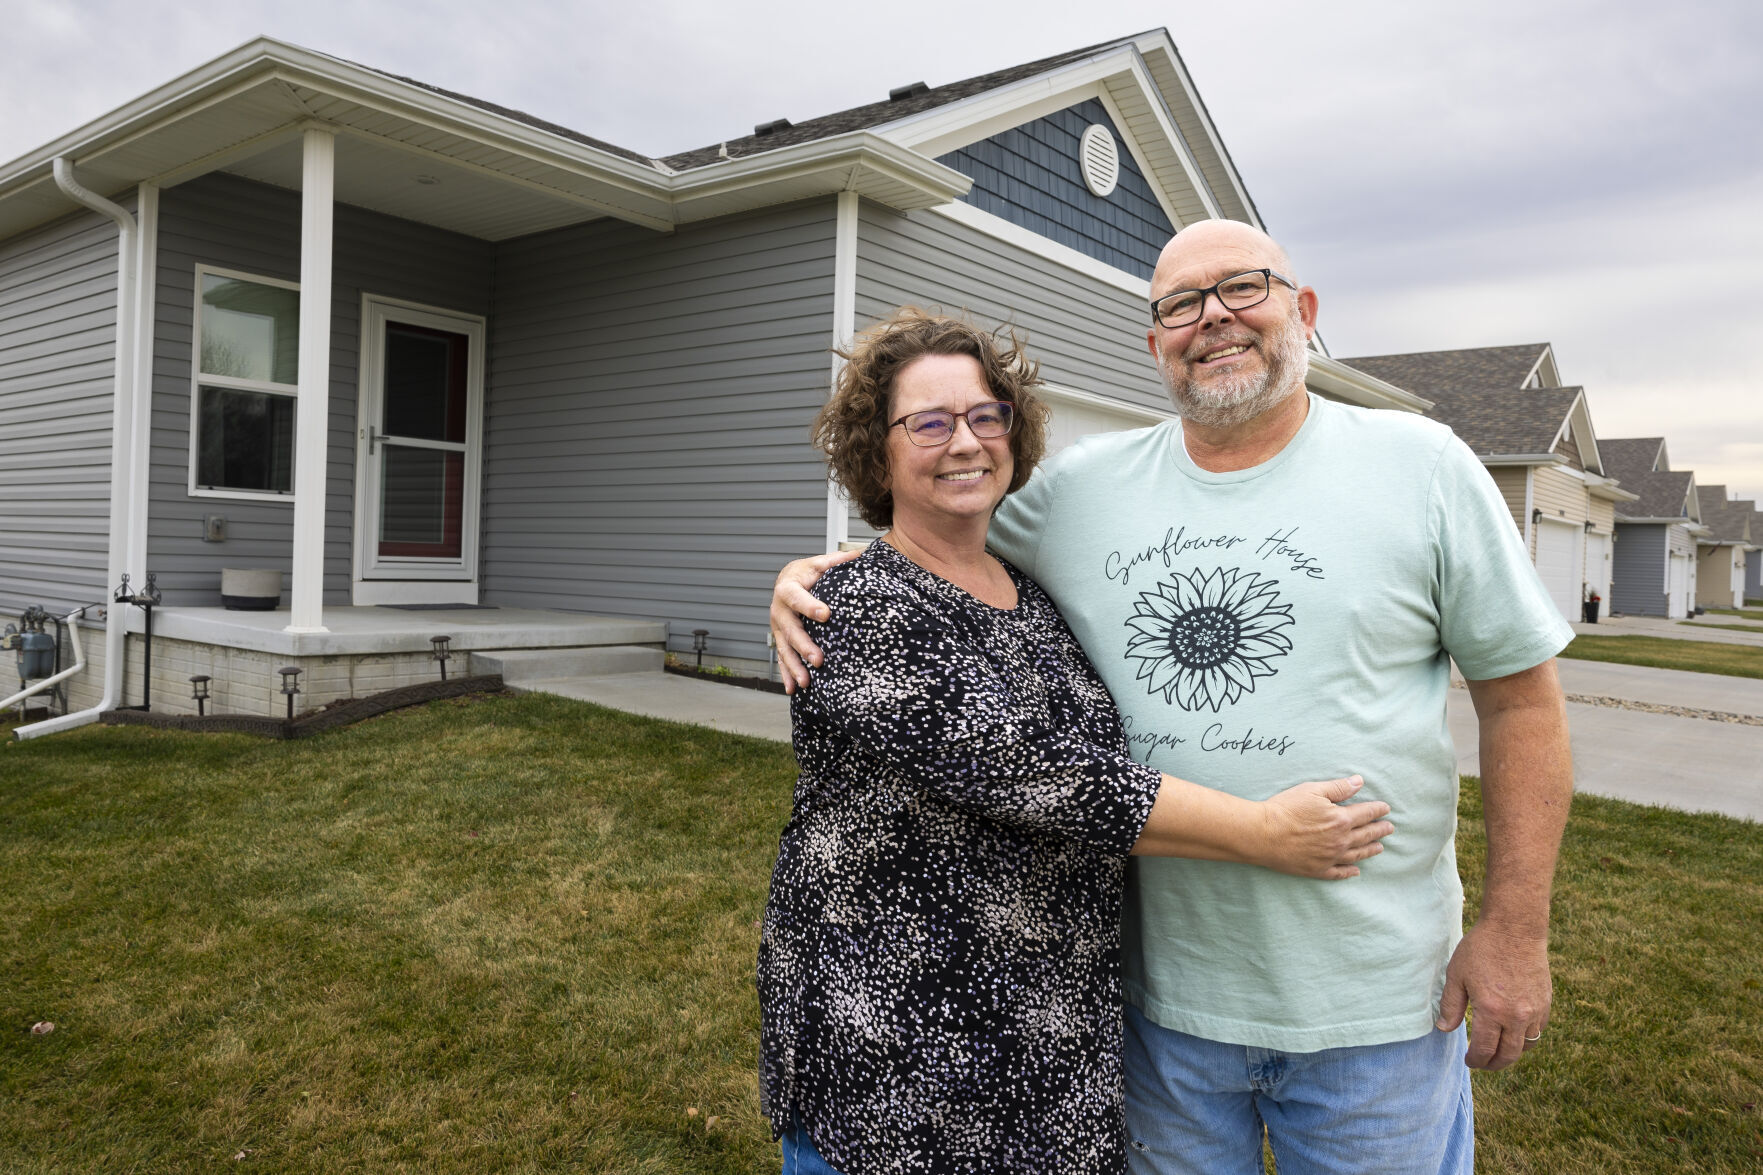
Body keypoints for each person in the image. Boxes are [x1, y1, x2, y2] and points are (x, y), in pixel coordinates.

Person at [771, 223, 1576, 1175]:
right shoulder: (1080, 490)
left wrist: (1515, 928)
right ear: (1154, 343)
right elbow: (936, 558)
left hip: (1374, 1006)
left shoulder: (1425, 467)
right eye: (1180, 305)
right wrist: (815, 579)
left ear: (1303, 313)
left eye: (1242, 288)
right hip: (1156, 1010)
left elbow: (1521, 703)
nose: (1214, 320)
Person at [760, 308, 1396, 1175]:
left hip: (1045, 1056)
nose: (965, 442)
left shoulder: (1025, 592)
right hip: (898, 1057)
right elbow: (1041, 776)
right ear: (877, 451)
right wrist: (1263, 833)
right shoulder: (858, 610)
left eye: (987, 415)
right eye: (929, 423)